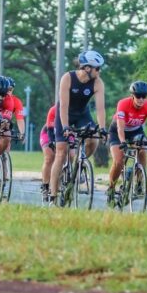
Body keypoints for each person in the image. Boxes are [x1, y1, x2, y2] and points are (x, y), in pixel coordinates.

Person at [48, 50, 108, 204]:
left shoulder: (98, 83)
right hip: (65, 113)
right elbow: (63, 106)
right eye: (97, 68)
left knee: (92, 140)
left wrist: (102, 128)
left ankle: (79, 164)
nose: (99, 72)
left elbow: (100, 108)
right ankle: (53, 195)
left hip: (82, 114)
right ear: (87, 68)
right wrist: (66, 127)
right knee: (61, 153)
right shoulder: (68, 78)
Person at [105, 81, 147, 205]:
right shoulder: (123, 104)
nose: (141, 99)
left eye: (144, 96)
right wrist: (122, 142)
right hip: (117, 132)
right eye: (138, 96)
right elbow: (120, 127)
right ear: (133, 95)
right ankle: (111, 188)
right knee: (119, 161)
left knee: (143, 149)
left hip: (135, 131)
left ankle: (138, 182)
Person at [39, 104, 57, 198]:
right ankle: (45, 185)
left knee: (71, 154)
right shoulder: (55, 109)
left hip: (64, 134)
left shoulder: (77, 109)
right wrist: (52, 142)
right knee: (49, 157)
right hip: (48, 133)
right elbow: (50, 130)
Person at [6, 77, 26, 142]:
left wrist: (22, 133)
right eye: (6, 88)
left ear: (13, 89)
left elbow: (20, 119)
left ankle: (5, 152)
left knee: (7, 142)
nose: (8, 91)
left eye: (10, 89)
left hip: (5, 124)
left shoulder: (16, 101)